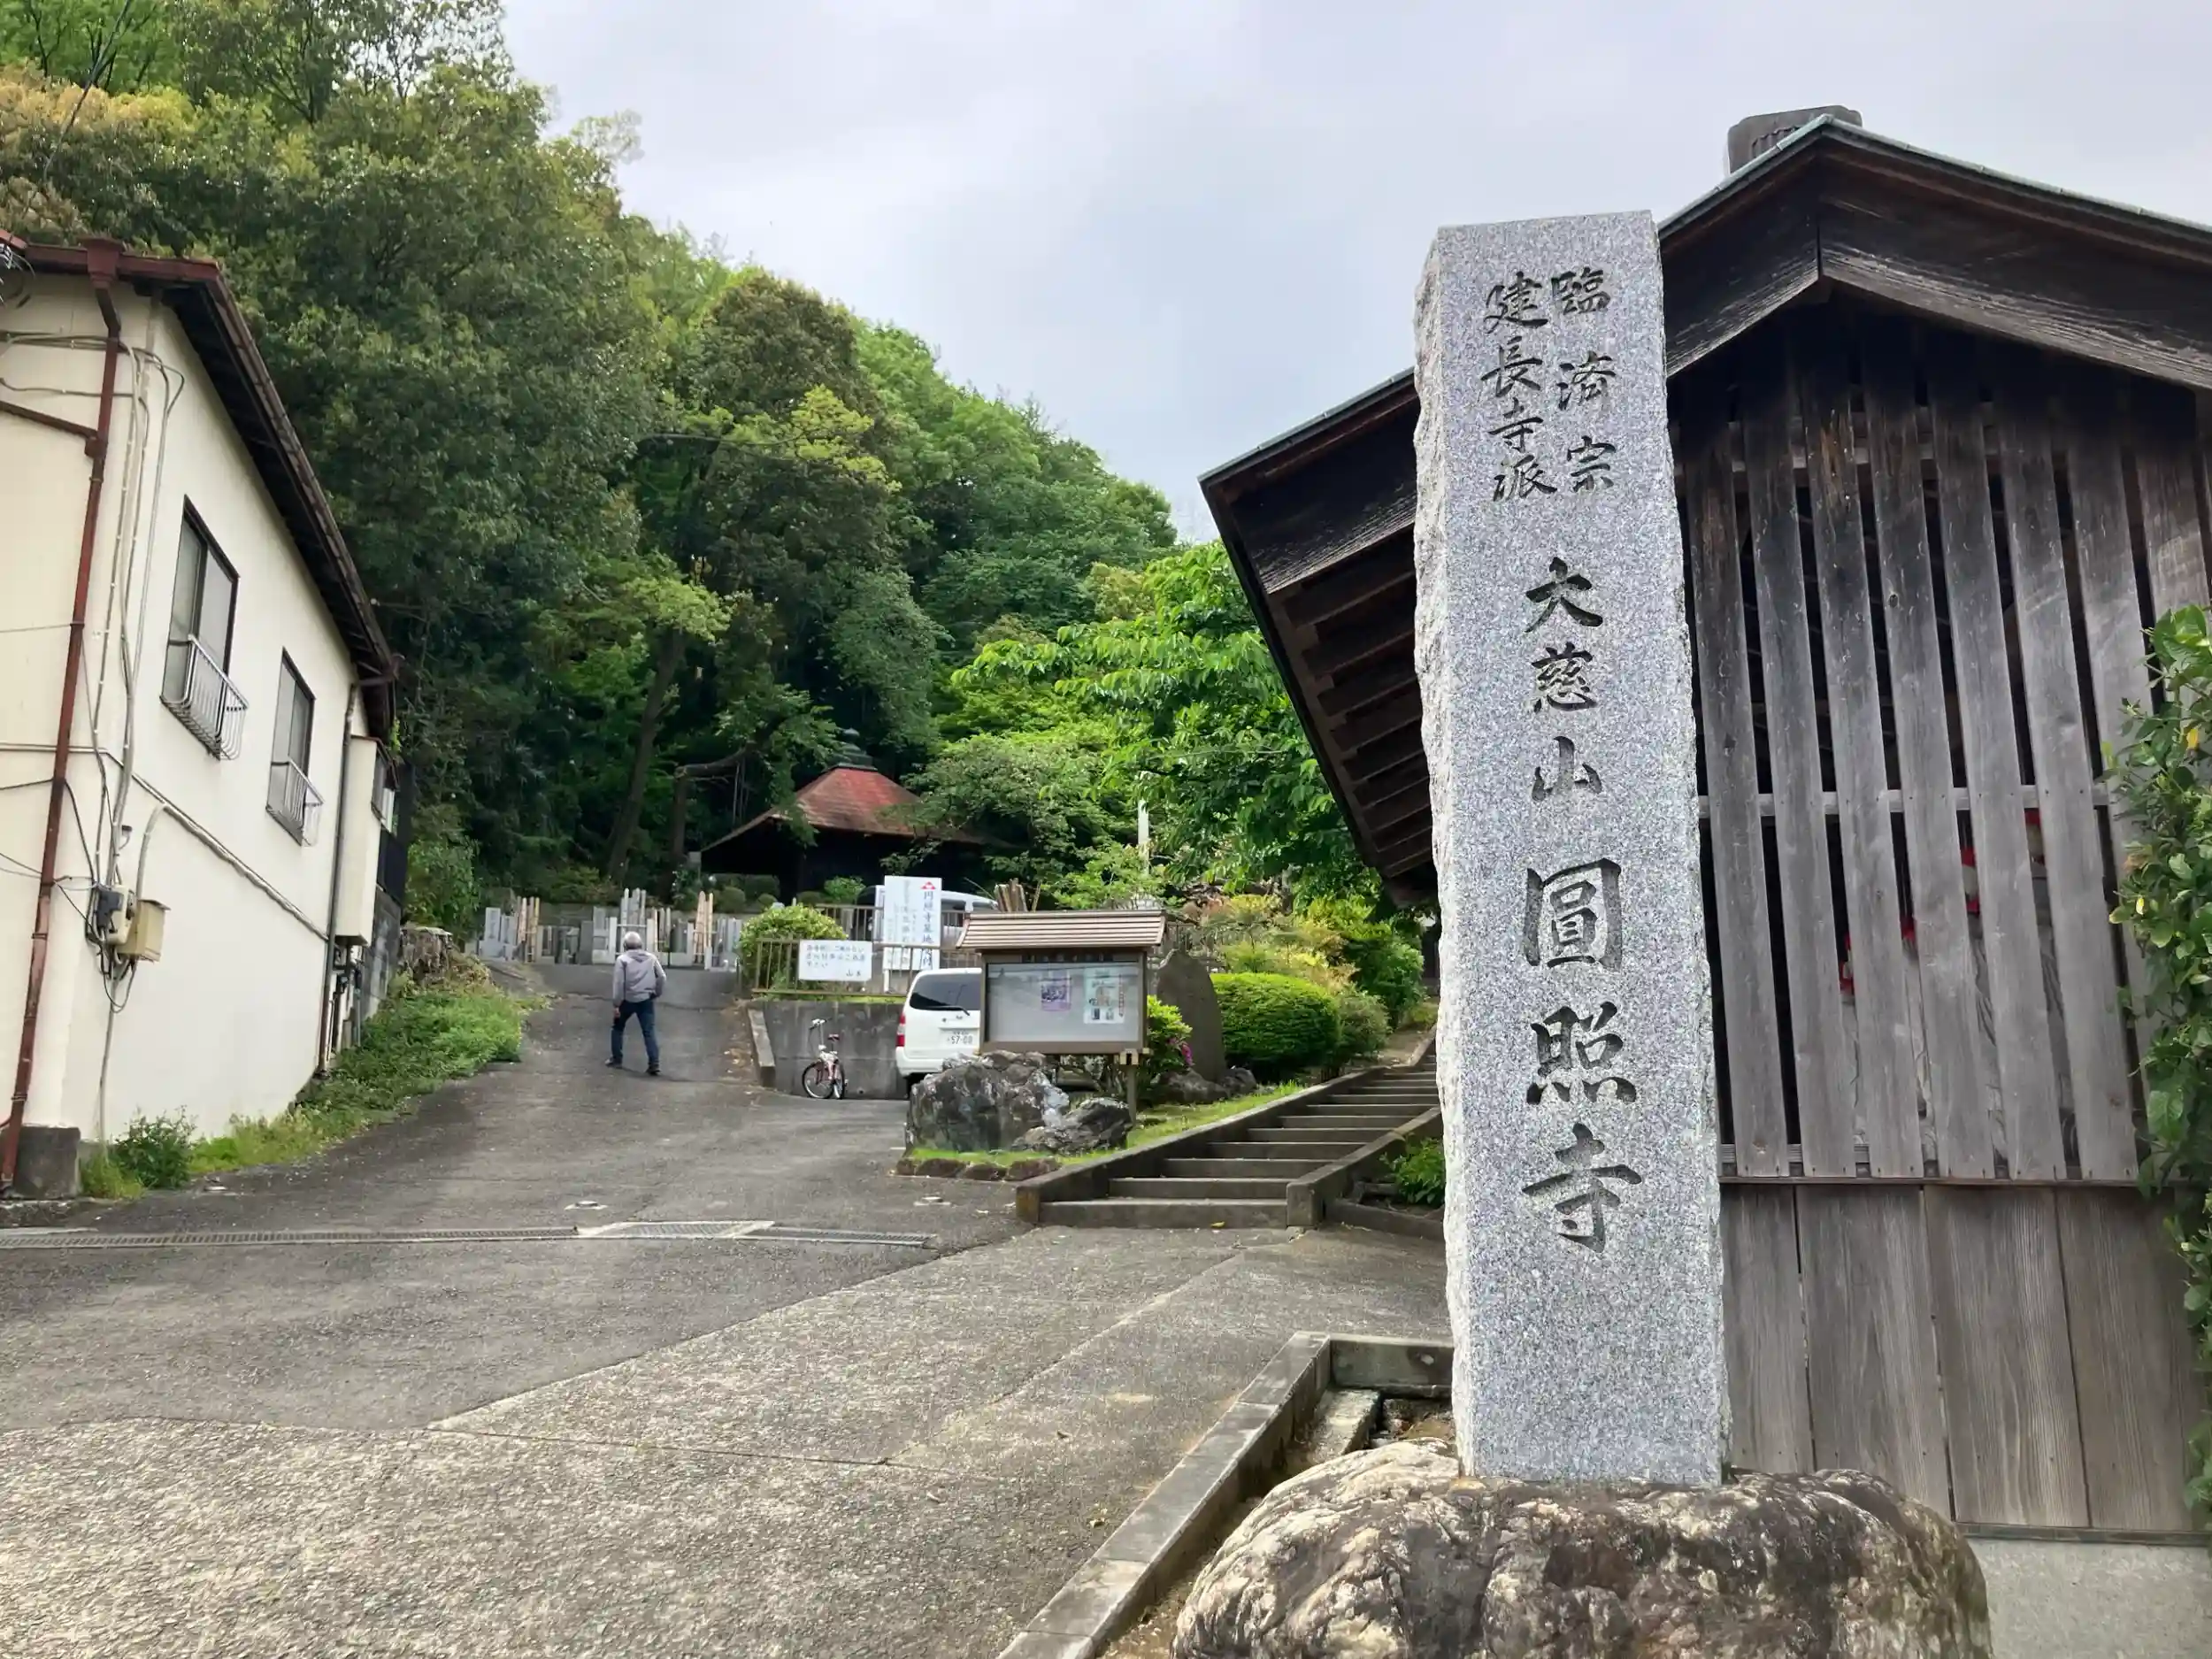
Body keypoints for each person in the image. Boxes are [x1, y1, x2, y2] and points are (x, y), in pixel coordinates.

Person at [608, 930, 667, 1076]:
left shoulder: (622, 960)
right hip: (646, 999)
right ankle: (654, 1064)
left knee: (618, 1028)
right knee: (649, 1031)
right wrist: (656, 993)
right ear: (641, 945)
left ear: (625, 945)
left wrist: (617, 1004)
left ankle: (617, 1059)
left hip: (627, 1000)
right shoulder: (651, 958)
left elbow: (619, 983)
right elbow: (662, 977)